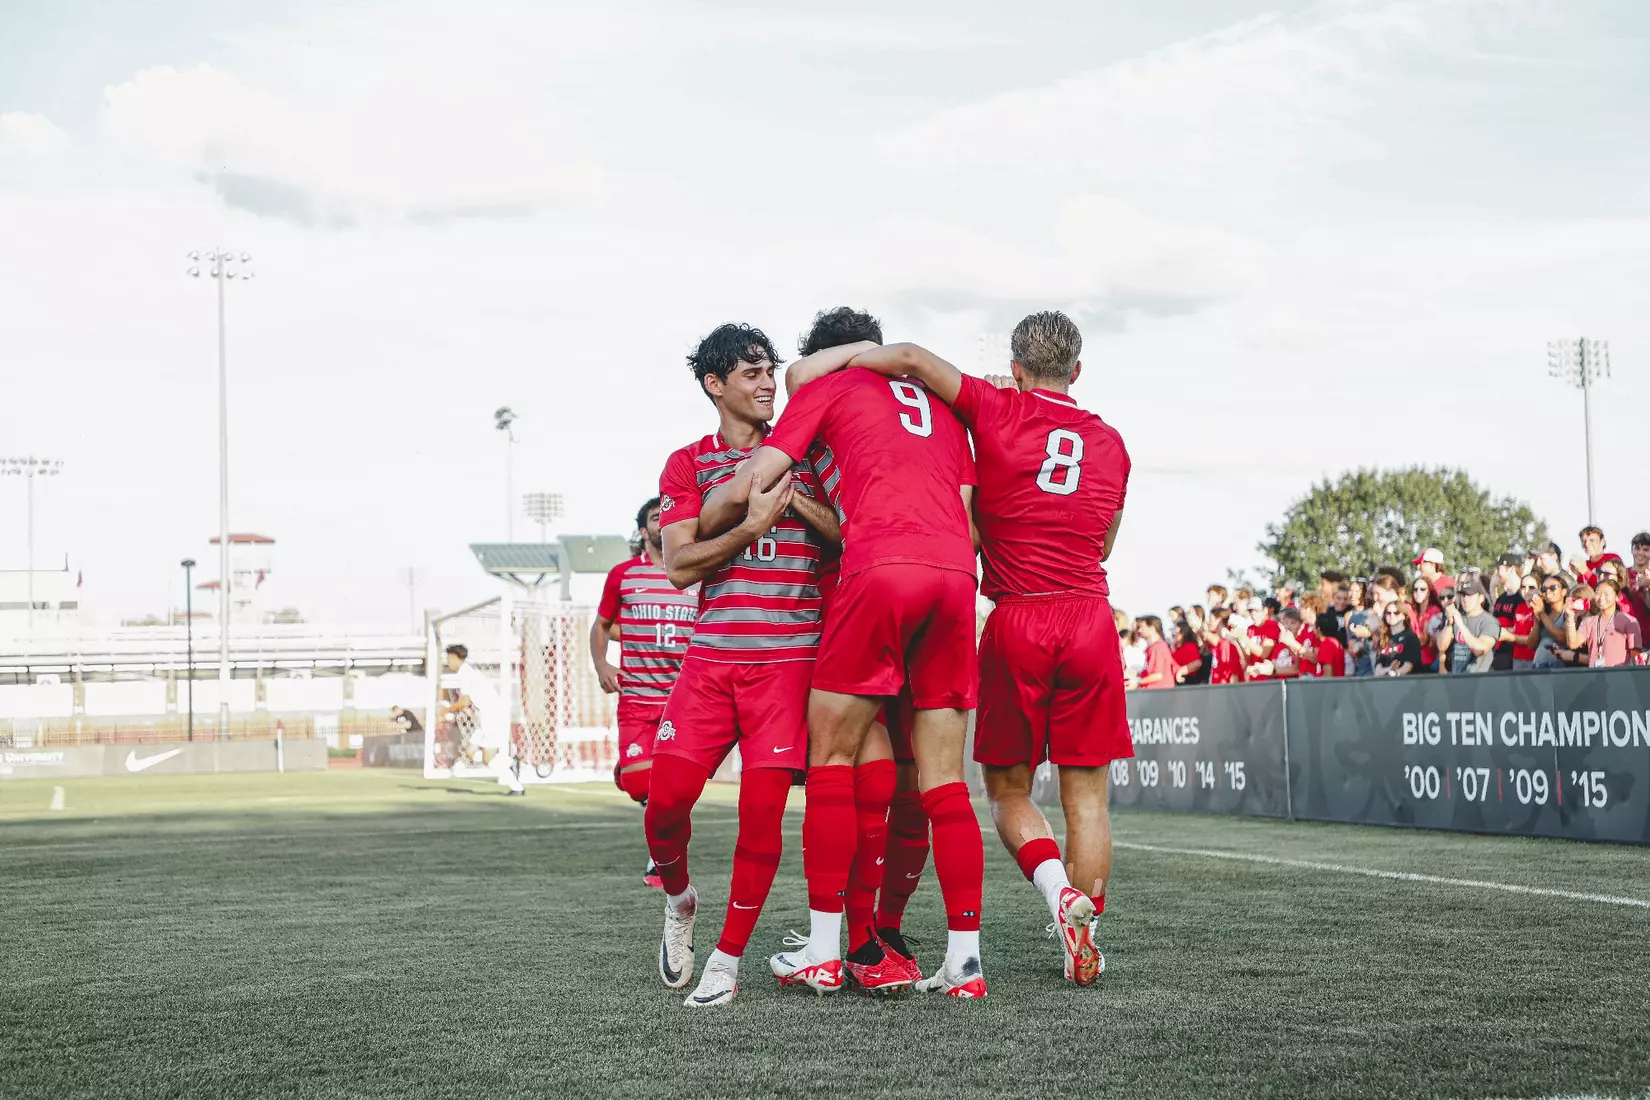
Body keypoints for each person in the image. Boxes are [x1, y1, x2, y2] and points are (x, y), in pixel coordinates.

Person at [840, 313, 1132, 987]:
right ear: (1078, 371)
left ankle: (1059, 893)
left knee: (1006, 790)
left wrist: (833, 365)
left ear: (1018, 367)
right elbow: (1106, 543)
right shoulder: (1111, 442)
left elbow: (909, 356)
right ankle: (1083, 931)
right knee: (1088, 798)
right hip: (1090, 616)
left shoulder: (996, 406)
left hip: (1019, 619)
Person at [699, 313, 986, 1000]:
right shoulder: (944, 411)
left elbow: (758, 476)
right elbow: (970, 512)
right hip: (955, 576)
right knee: (942, 779)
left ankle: (825, 951)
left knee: (832, 758)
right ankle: (965, 964)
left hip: (879, 568)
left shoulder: (829, 386)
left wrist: (715, 509)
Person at [644, 322, 843, 1009]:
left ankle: (726, 963)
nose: (766, 385)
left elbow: (849, 531)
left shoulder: (808, 451)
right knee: (664, 804)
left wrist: (795, 503)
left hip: (787, 664)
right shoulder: (686, 463)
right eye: (752, 374)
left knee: (762, 817)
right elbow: (677, 565)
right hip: (710, 664)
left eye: (771, 372)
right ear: (715, 386)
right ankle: (680, 901)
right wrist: (750, 529)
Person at [591, 496, 700, 888]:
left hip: (682, 701)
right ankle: (630, 769)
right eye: (656, 517)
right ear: (643, 532)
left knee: (671, 793)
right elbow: (602, 625)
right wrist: (603, 665)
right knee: (642, 786)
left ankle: (660, 861)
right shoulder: (624, 575)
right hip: (636, 698)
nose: (664, 520)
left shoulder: (696, 574)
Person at [436, 644, 524, 795]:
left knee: (488, 759)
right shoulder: (469, 672)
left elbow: (465, 701)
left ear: (455, 658)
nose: (448, 662)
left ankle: (517, 787)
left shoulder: (465, 674)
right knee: (470, 752)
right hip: (486, 717)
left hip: (493, 718)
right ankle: (508, 762)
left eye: (449, 658)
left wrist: (446, 710)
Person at [1567, 579, 1644, 667]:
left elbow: (1636, 654)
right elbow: (1573, 644)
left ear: (1617, 596)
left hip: (1620, 675)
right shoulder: (1588, 622)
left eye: (1606, 594)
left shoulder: (1629, 621)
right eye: (1598, 593)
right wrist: (1570, 617)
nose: (1601, 598)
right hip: (1595, 675)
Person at [1438, 576, 1499, 674]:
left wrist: (1461, 625)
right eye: (1463, 595)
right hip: (1457, 678)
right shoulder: (1458, 617)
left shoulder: (1489, 622)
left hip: (1479, 680)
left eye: (1469, 595)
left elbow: (1480, 649)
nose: (1465, 599)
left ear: (1481, 598)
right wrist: (1449, 622)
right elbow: (1441, 646)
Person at [1490, 554, 1527, 672]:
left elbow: (1522, 627)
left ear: (1510, 568)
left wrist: (1501, 632)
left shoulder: (1522, 596)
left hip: (1514, 653)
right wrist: (1492, 588)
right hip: (1498, 651)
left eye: (1498, 568)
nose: (1496, 573)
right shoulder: (1502, 597)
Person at [1532, 574, 1574, 669]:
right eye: (1544, 589)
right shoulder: (1543, 612)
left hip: (1556, 667)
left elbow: (1562, 639)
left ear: (1564, 591)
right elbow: (1531, 645)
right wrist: (1538, 619)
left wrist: (1542, 614)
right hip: (1537, 665)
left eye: (1552, 588)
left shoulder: (1568, 612)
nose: (1547, 591)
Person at [1202, 607, 1247, 684]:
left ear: (1219, 620)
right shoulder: (1219, 643)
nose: (1208, 622)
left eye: (1210, 619)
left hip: (1225, 692)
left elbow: (1234, 675)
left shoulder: (1228, 644)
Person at [1375, 603, 1420, 676]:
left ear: (1403, 616)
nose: (1392, 616)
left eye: (1396, 613)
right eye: (1388, 613)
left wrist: (1394, 673)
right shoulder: (1383, 639)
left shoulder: (1410, 637)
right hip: (1385, 683)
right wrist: (1390, 669)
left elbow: (1408, 666)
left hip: (1406, 683)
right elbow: (1377, 670)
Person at [1242, 597, 1282, 679]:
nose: (1253, 615)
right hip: (1254, 677)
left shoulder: (1272, 625)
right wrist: (1237, 640)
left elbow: (1264, 654)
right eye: (1250, 611)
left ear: (1265, 610)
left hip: (1268, 679)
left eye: (1257, 611)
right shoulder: (1251, 629)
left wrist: (1243, 637)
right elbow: (1248, 658)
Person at [1136, 616, 1175, 690]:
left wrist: (1137, 682)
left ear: (1152, 628)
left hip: (1158, 693)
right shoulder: (1153, 647)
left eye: (1142, 627)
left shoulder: (1159, 647)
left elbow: (1158, 675)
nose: (1139, 630)